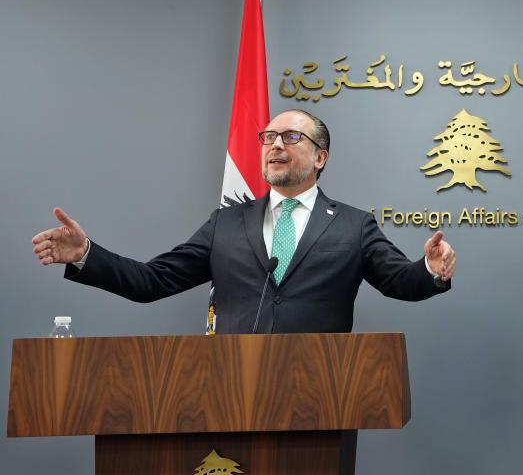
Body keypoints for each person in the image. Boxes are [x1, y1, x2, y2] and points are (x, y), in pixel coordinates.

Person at [31, 109, 456, 333]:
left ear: (320, 157)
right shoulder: (227, 224)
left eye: (291, 137)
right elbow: (152, 281)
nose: (275, 144)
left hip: (321, 394)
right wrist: (86, 255)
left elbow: (401, 281)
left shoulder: (353, 226)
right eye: (268, 137)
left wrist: (430, 271)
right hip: (230, 391)